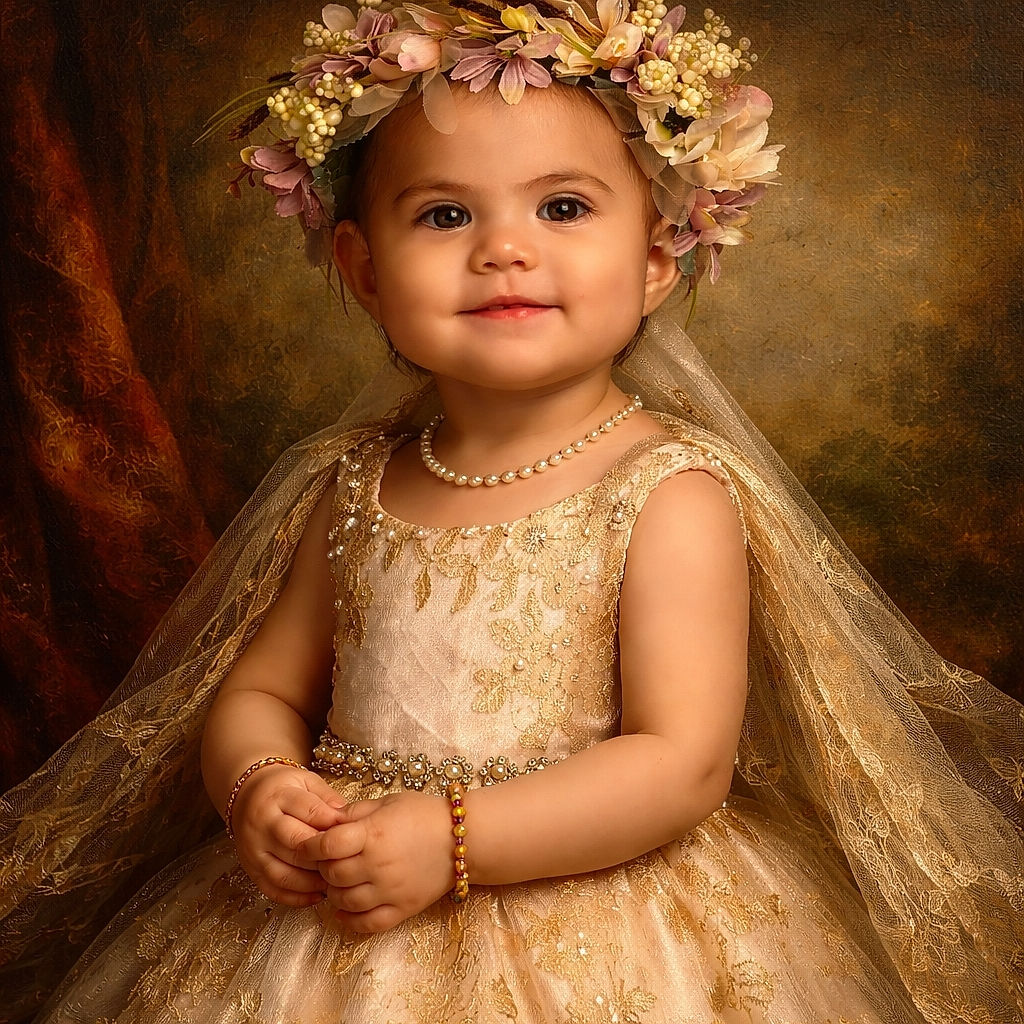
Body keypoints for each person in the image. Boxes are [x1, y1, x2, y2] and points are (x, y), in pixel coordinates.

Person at [2, 2, 1022, 1022]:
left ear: (660, 256)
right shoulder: (351, 483)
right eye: (445, 215)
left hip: (599, 915)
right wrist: (261, 785)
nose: (503, 249)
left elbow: (682, 761)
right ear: (362, 269)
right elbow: (259, 692)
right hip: (340, 903)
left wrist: (451, 837)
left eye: (563, 208)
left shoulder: (668, 492)